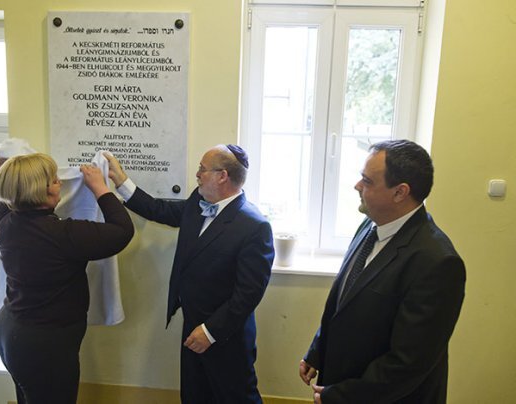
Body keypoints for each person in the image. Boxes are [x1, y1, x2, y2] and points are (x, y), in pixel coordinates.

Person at [299, 139, 466, 403]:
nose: (357, 186)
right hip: (344, 382)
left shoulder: (437, 262)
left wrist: (341, 395)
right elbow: (344, 299)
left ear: (400, 192)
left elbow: (408, 362)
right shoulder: (369, 225)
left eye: (367, 181)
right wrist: (318, 350)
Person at [106, 144, 274, 403]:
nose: (197, 174)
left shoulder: (254, 226)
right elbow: (159, 210)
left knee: (236, 397)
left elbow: (248, 295)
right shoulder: (198, 202)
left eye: (202, 169)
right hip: (192, 326)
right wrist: (121, 181)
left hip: (226, 337)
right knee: (195, 395)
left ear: (222, 176)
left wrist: (209, 331)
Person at [0, 153, 134, 404]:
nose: (59, 182)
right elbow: (122, 231)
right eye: (53, 180)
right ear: (42, 191)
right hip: (45, 345)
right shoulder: (63, 234)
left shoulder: (5, 221)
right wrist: (100, 188)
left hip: (11, 331)